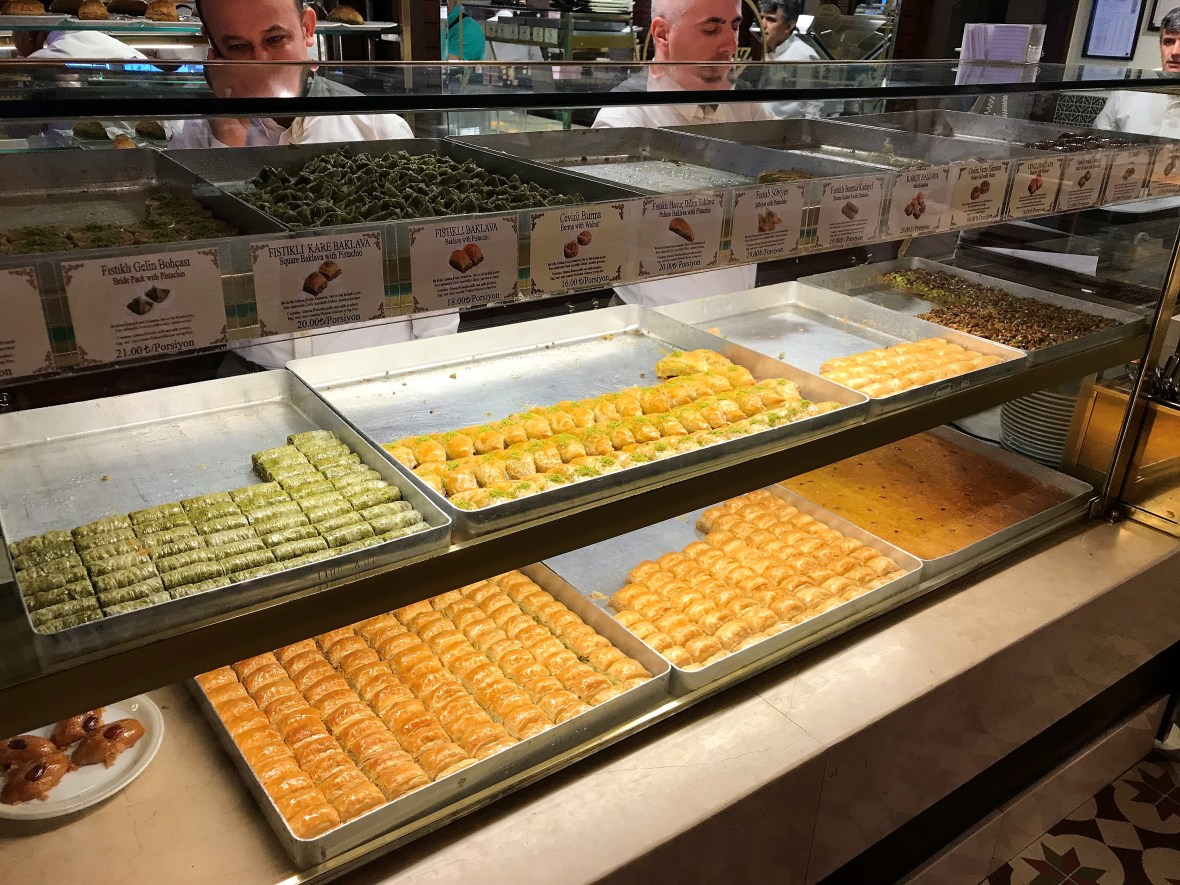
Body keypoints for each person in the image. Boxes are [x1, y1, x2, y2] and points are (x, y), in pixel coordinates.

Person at [170, 0, 457, 368]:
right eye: (239, 47)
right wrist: (227, 145)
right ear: (213, 48)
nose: (261, 62)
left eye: (275, 39)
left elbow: (429, 261)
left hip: (378, 365)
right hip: (256, 369)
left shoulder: (377, 128)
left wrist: (433, 364)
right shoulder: (193, 141)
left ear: (307, 28)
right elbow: (196, 277)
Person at [594, 0, 772, 307]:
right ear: (662, 34)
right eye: (711, 29)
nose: (729, 45)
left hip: (739, 309)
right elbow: (606, 239)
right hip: (651, 316)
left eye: (734, 26)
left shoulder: (747, 106)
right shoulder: (625, 120)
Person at [1095, 8, 1180, 138]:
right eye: (1168, 42)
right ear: (1160, 46)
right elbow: (1099, 137)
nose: (1175, 52)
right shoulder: (1130, 88)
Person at [756, 0, 824, 119]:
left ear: (788, 26)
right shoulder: (764, 50)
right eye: (762, 18)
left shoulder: (804, 56)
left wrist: (806, 134)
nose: (763, 24)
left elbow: (811, 105)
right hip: (760, 125)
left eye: (771, 20)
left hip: (787, 131)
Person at [14, 29, 147, 61]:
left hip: (78, 133)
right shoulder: (117, 46)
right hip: (160, 131)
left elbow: (19, 130)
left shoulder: (43, 59)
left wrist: (25, 54)